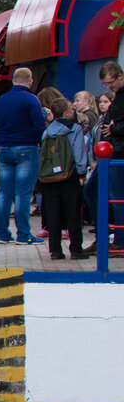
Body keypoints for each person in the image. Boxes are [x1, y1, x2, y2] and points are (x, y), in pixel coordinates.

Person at [0, 67, 46, 244]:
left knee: (4, 193)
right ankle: (23, 235)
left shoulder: (1, 100)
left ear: (13, 80)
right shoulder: (31, 99)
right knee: (23, 193)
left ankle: (2, 234)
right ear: (30, 81)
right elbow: (39, 126)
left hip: (5, 149)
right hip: (26, 148)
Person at [39, 98, 89, 260]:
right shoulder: (74, 129)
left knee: (53, 213)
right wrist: (81, 173)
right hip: (70, 175)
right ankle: (75, 249)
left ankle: (55, 250)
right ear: (66, 112)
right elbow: (79, 153)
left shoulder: (47, 131)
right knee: (73, 212)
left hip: (49, 178)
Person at [86, 61, 124, 254]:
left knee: (114, 196)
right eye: (105, 85)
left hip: (116, 154)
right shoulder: (118, 97)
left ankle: (115, 239)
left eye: (111, 83)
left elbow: (117, 125)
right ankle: (107, 236)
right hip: (111, 152)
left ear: (120, 76)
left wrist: (113, 128)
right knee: (96, 192)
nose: (109, 87)